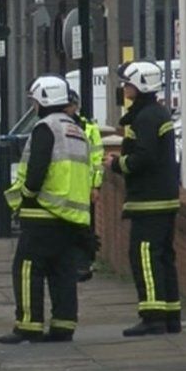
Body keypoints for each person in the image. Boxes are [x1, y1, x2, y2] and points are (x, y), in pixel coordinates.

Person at [0, 76, 94, 344]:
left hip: (42, 212)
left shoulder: (45, 128)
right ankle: (63, 326)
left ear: (44, 99)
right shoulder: (77, 131)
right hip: (70, 216)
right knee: (62, 271)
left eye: (35, 100)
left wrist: (26, 196)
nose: (34, 106)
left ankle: (28, 325)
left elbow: (38, 168)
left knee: (28, 268)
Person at [103, 60, 181, 336]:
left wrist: (116, 163)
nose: (124, 87)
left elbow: (144, 157)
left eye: (128, 83)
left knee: (145, 256)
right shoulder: (157, 113)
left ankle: (152, 317)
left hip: (150, 199)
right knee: (163, 257)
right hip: (163, 197)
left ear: (140, 85)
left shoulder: (146, 117)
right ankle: (170, 316)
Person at [66, 91, 104, 282]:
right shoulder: (55, 127)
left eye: (71, 105)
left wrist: (95, 186)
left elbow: (97, 159)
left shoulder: (88, 128)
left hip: (83, 187)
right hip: (63, 187)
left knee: (84, 228)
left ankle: (83, 265)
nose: (69, 109)